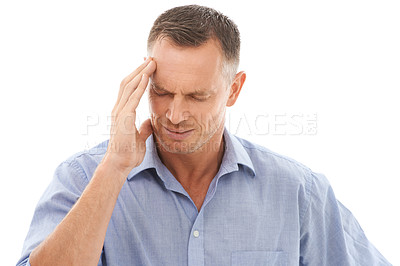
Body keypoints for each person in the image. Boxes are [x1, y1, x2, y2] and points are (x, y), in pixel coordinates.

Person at [17, 4, 391, 266]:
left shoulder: (297, 192)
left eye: (197, 96)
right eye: (161, 91)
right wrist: (114, 168)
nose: (174, 115)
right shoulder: (84, 179)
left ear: (233, 89)